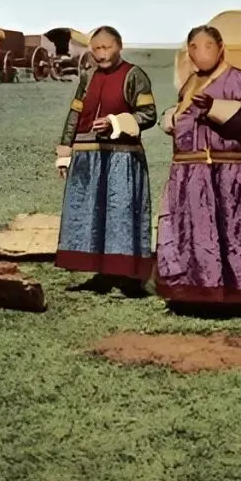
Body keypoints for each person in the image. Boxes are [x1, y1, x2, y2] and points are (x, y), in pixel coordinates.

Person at [155, 25, 241, 305]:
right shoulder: (190, 83)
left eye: (208, 46)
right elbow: (181, 120)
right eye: (194, 47)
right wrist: (172, 118)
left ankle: (234, 293)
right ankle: (197, 292)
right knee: (191, 233)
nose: (201, 53)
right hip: (189, 171)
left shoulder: (238, 79)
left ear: (221, 49)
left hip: (226, 171)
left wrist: (213, 108)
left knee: (231, 232)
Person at [55, 25, 157, 297]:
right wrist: (65, 152)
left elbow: (148, 114)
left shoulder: (134, 75)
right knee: (91, 212)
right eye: (96, 48)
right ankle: (100, 274)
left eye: (107, 47)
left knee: (120, 212)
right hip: (87, 156)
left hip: (122, 157)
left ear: (119, 46)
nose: (101, 53)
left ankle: (127, 276)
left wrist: (115, 122)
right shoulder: (87, 77)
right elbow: (74, 115)